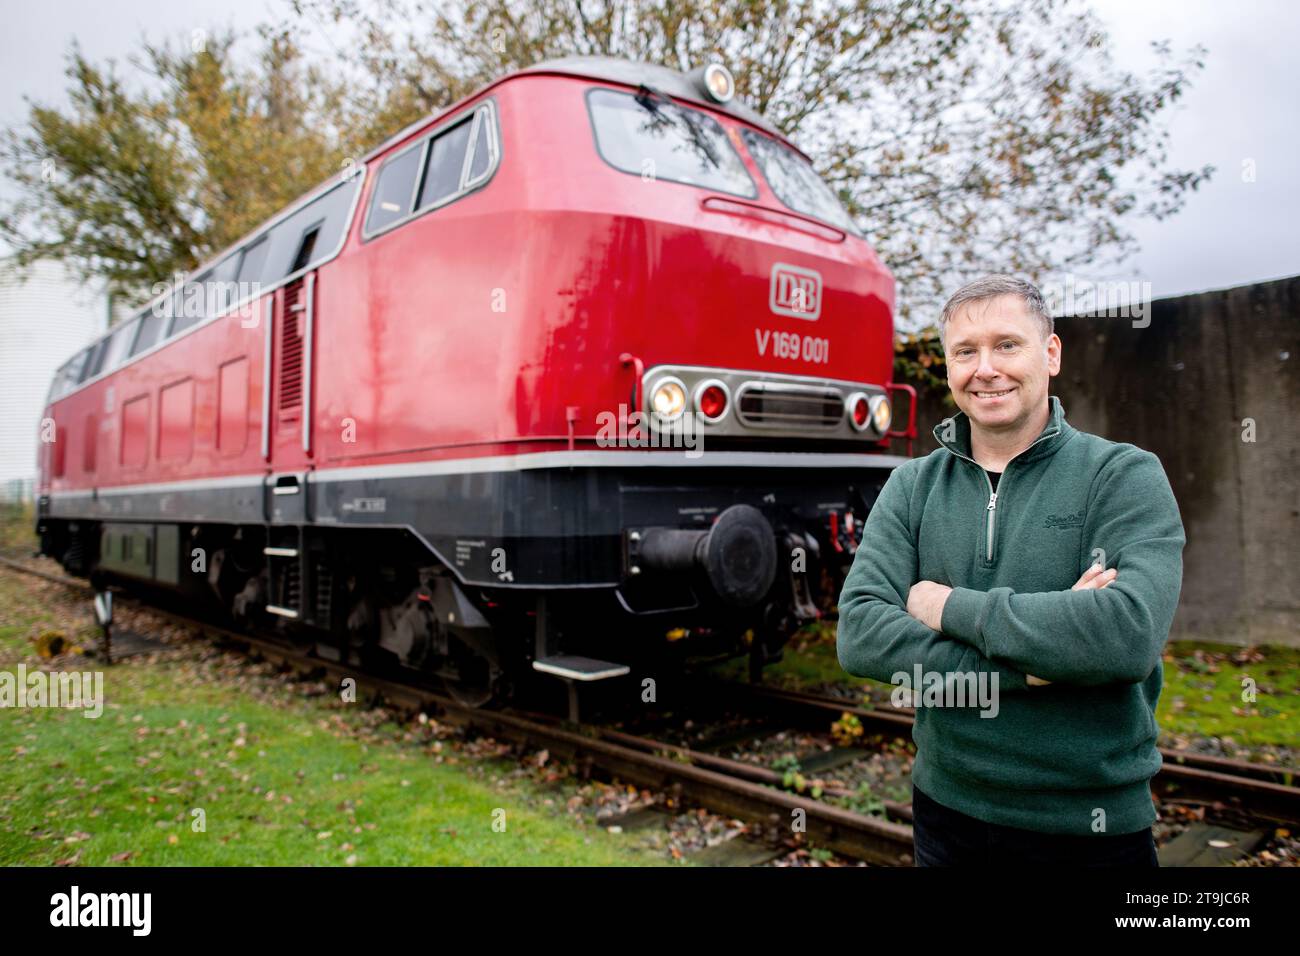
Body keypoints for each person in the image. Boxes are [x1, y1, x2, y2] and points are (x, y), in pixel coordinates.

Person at [837, 274, 1185, 866]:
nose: (985, 368)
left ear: (1050, 354)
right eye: (964, 352)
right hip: (946, 815)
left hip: (1090, 829)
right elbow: (862, 636)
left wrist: (944, 606)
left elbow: (1124, 637)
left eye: (1007, 345)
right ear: (948, 369)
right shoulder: (910, 487)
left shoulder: (1123, 476)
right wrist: (1034, 666)